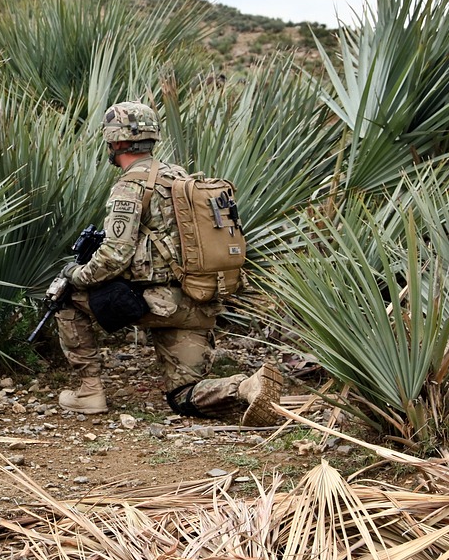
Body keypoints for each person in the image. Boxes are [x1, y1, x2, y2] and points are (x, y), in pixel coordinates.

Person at [54, 101, 282, 425]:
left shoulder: (131, 185)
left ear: (116, 142)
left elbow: (114, 257)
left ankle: (89, 391)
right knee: (183, 395)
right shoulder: (179, 176)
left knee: (66, 297)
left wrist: (76, 274)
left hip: (160, 305)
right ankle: (245, 388)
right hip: (200, 301)